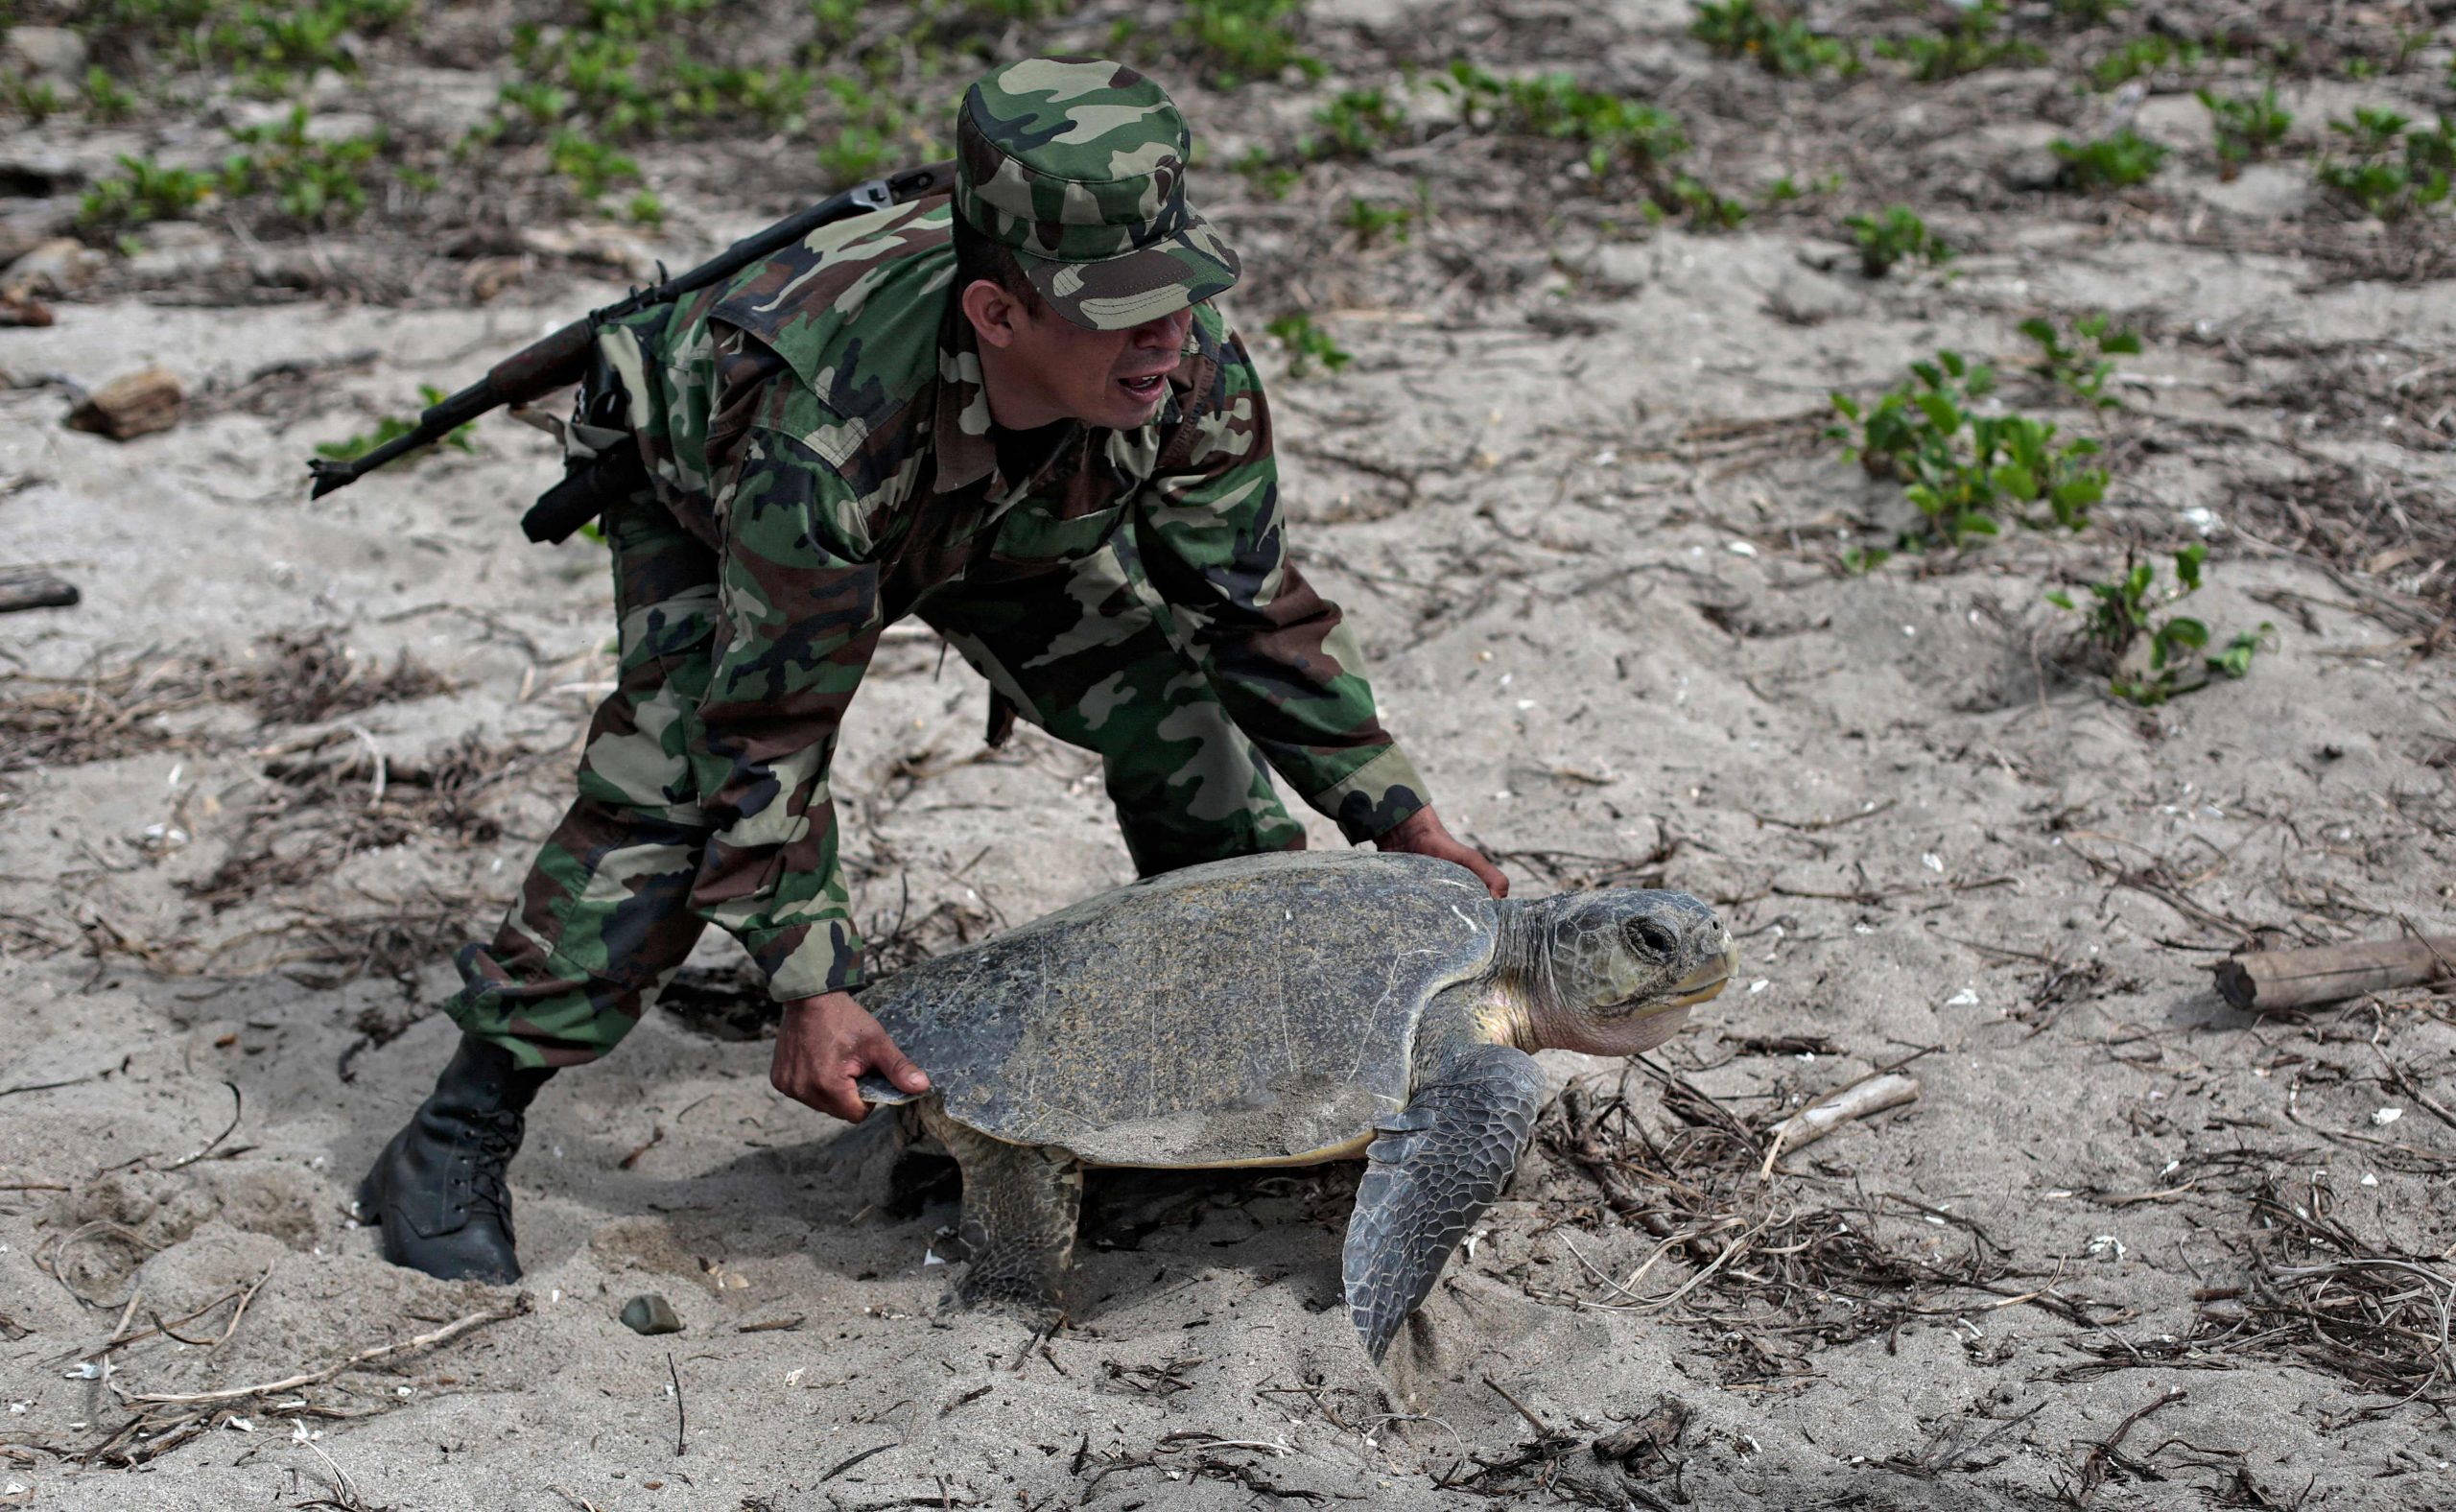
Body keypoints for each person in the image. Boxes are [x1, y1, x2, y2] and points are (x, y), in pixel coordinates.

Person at [357, 56, 1507, 1284]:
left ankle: (1237, 1043)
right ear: (999, 314)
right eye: (1124, 306)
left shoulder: (1178, 365)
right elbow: (770, 728)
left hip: (1005, 496)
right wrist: (811, 984)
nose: (1170, 333)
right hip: (732, 505)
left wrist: (1399, 813)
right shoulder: (819, 438)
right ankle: (455, 1129)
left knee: (1174, 704)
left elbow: (1250, 610)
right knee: (673, 799)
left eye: (1182, 288)